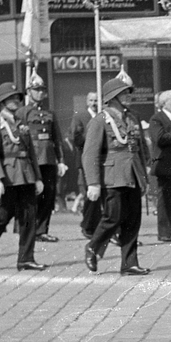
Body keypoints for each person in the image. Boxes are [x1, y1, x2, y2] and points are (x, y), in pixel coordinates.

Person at [82, 74, 151, 276]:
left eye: (128, 92)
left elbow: (140, 147)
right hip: (112, 176)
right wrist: (93, 183)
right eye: (123, 93)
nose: (128, 96)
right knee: (113, 216)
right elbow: (90, 154)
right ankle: (93, 247)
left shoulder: (132, 117)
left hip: (133, 174)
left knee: (133, 219)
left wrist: (145, 170)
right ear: (112, 97)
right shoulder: (100, 120)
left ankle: (129, 263)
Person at [0, 81, 47, 271]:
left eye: (17, 97)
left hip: (26, 175)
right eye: (11, 98)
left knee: (29, 217)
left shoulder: (21, 124)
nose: (16, 100)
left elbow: (31, 152)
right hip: (7, 176)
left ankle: (25, 258)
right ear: (2, 102)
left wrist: (38, 177)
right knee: (3, 216)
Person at [23, 76, 69, 242]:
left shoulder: (50, 114)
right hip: (32, 160)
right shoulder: (23, 113)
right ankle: (29, 230)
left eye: (42, 90)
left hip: (48, 159)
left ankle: (42, 230)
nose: (40, 93)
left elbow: (57, 139)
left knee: (49, 195)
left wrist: (61, 160)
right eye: (37, 90)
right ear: (29, 92)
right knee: (32, 196)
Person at [148, 90, 171, 242]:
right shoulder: (157, 119)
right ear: (164, 104)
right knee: (165, 200)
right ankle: (164, 232)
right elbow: (160, 138)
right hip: (166, 164)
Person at [70, 92, 102, 237]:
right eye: (91, 100)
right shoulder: (80, 117)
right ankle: (87, 225)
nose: (94, 103)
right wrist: (91, 133)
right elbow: (75, 139)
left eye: (96, 100)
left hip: (102, 159)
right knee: (90, 192)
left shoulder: (103, 115)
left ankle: (96, 225)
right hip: (86, 159)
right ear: (87, 102)